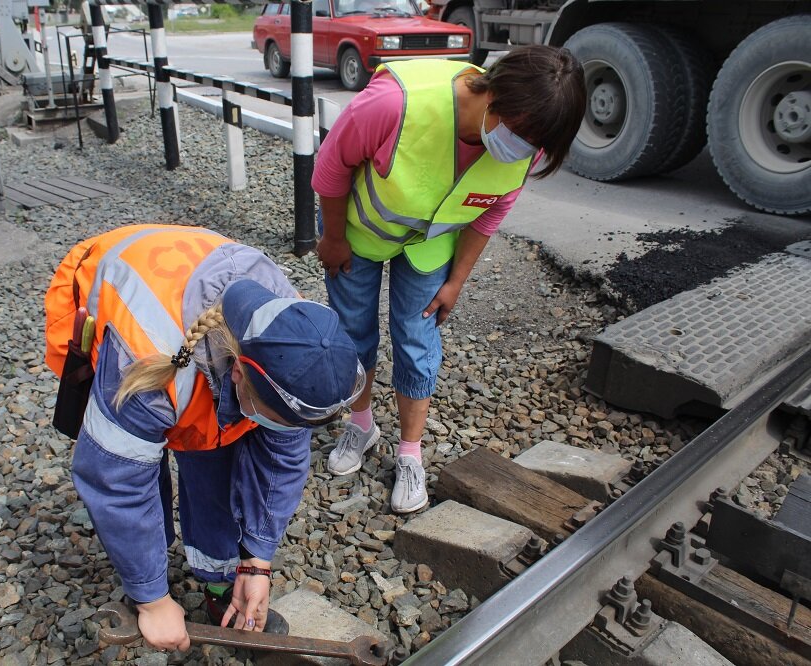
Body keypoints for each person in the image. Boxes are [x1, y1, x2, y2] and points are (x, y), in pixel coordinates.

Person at [44, 224, 364, 653]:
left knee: (214, 455)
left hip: (192, 298)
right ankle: (146, 572)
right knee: (141, 463)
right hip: (117, 291)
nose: (291, 436)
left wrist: (258, 560)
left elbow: (282, 458)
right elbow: (116, 482)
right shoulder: (144, 365)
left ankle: (219, 581)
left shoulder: (297, 339)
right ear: (237, 375)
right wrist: (152, 599)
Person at [312, 46, 586, 513]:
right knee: (353, 331)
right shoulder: (394, 104)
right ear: (493, 96)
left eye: (537, 145)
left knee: (417, 338)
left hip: (429, 245)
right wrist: (334, 238)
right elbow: (332, 167)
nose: (525, 150)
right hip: (358, 234)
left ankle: (410, 453)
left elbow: (489, 214)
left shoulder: (528, 137)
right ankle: (361, 423)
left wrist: (457, 279)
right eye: (521, 135)